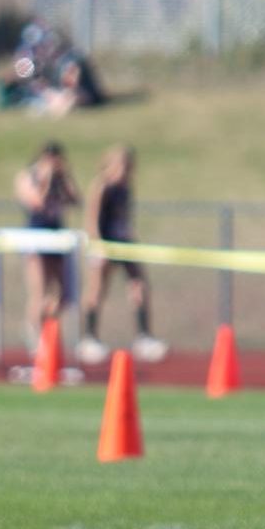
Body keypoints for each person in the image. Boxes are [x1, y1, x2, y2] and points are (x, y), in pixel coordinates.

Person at [78, 145, 168, 365]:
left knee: (139, 285)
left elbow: (124, 218)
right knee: (97, 289)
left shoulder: (126, 187)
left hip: (124, 243)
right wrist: (97, 245)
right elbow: (92, 218)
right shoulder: (102, 186)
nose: (126, 170)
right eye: (122, 165)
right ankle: (88, 338)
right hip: (105, 244)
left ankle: (144, 337)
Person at [14, 140, 81, 352]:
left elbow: (76, 200)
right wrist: (46, 179)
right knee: (39, 291)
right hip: (36, 236)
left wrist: (64, 178)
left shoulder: (62, 178)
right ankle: (34, 332)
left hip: (56, 236)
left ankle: (49, 329)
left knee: (62, 293)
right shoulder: (29, 176)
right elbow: (37, 203)